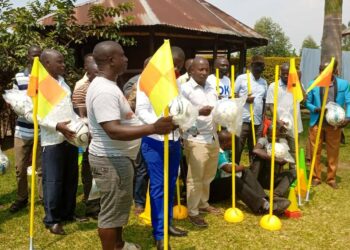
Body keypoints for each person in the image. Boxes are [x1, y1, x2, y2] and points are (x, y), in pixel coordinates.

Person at [86, 41, 175, 250]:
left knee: (118, 208)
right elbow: (113, 130)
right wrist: (153, 128)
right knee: (110, 213)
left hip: (117, 159)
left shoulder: (109, 86)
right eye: (123, 55)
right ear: (111, 60)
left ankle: (118, 244)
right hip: (110, 160)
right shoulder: (104, 91)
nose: (126, 59)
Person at [136, 46, 188, 250]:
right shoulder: (146, 79)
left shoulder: (176, 82)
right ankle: (159, 234)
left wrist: (182, 120)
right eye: (174, 64)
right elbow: (141, 110)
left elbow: (180, 107)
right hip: (154, 141)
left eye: (180, 65)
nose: (177, 68)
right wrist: (159, 125)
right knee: (158, 187)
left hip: (174, 141)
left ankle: (168, 224)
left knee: (171, 183)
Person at [39, 49, 83, 235]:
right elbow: (36, 115)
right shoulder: (41, 85)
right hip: (53, 141)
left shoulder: (63, 83)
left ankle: (67, 213)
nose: (63, 64)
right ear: (47, 63)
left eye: (63, 61)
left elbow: (69, 110)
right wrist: (57, 126)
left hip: (70, 138)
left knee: (70, 178)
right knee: (54, 181)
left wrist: (79, 124)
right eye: (59, 61)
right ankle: (52, 219)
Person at [209, 130, 290, 215]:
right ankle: (263, 207)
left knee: (245, 172)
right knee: (234, 180)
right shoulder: (217, 152)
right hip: (211, 192)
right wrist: (243, 166)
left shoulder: (225, 151)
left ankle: (265, 199)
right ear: (225, 142)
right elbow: (228, 169)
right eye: (231, 141)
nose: (233, 143)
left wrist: (242, 168)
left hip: (219, 184)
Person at [181, 56, 220, 228]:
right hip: (195, 138)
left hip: (212, 136)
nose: (205, 72)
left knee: (208, 175)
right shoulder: (185, 89)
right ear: (191, 71)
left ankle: (203, 204)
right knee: (195, 178)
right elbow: (180, 114)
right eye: (200, 69)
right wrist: (198, 111)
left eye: (207, 69)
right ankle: (193, 211)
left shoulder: (212, 86)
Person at [305, 61, 350, 189]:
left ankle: (331, 178)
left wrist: (348, 117)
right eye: (321, 70)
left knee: (333, 152)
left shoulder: (343, 84)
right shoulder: (313, 84)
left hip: (334, 125)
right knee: (315, 151)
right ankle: (316, 177)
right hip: (316, 123)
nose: (322, 72)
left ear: (334, 70)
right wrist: (315, 109)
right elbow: (307, 102)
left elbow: (349, 102)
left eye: (325, 70)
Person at [9, 45, 43, 213]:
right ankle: (22, 198)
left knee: (42, 168)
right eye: (33, 55)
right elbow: (14, 100)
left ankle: (43, 198)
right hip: (22, 130)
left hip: (42, 129)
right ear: (28, 57)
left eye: (39, 56)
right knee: (20, 167)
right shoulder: (19, 77)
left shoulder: (46, 78)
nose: (36, 58)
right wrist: (24, 110)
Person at [122, 57, 151, 215]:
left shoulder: (166, 83)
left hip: (160, 132)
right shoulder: (136, 83)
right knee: (142, 169)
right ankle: (139, 201)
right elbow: (128, 106)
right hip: (141, 130)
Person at [72, 59, 100, 219]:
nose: (98, 75)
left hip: (101, 136)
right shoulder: (81, 87)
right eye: (95, 72)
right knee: (90, 170)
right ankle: (91, 204)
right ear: (87, 71)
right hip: (89, 137)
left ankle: (97, 202)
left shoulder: (104, 86)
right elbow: (78, 113)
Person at [265, 63, 303, 169]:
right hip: (279, 125)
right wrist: (278, 121)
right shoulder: (274, 86)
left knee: (293, 149)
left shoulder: (296, 85)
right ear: (280, 73)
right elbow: (271, 106)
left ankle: (293, 173)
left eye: (288, 74)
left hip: (294, 124)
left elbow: (303, 98)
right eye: (284, 73)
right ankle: (277, 172)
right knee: (278, 149)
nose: (286, 76)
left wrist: (299, 82)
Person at [235, 55, 268, 164]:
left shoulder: (264, 82)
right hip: (243, 119)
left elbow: (264, 101)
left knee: (255, 148)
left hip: (257, 121)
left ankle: (253, 173)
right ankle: (235, 172)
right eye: (256, 65)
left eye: (261, 65)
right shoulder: (242, 78)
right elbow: (233, 96)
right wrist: (244, 99)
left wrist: (263, 118)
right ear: (251, 65)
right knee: (238, 147)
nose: (259, 68)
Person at [251, 123, 296, 198]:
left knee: (294, 172)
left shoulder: (283, 141)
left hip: (274, 178)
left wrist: (282, 158)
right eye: (271, 136)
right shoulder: (263, 140)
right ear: (267, 134)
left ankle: (276, 194)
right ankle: (252, 185)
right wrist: (273, 158)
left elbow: (285, 158)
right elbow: (256, 150)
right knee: (258, 158)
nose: (274, 138)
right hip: (261, 177)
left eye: (277, 136)